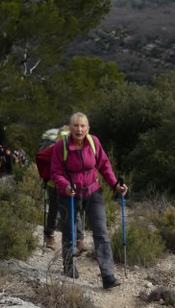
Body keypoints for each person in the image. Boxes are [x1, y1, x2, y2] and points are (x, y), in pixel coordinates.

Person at [50, 112, 128, 289]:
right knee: (70, 231)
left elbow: (104, 165)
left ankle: (108, 275)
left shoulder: (94, 142)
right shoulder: (60, 147)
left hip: (93, 192)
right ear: (70, 128)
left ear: (88, 128)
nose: (79, 129)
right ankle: (69, 265)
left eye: (82, 126)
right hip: (69, 194)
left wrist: (115, 184)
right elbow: (55, 173)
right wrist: (65, 186)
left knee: (101, 231)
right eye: (76, 126)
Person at [41, 126, 86, 251]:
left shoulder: (73, 148)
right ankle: (77, 239)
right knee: (62, 210)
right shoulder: (55, 149)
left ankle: (75, 239)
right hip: (56, 185)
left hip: (66, 185)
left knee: (65, 211)